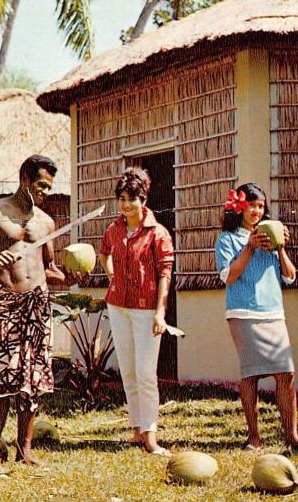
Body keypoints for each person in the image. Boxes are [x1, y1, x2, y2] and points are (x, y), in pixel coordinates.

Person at [0, 154, 78, 466]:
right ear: (24, 178)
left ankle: (25, 450)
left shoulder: (46, 222)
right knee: (3, 375)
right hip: (7, 301)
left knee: (33, 378)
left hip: (38, 304)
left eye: (50, 187)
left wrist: (72, 277)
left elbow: (49, 270)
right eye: (41, 185)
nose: (45, 192)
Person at [214, 182, 298, 453]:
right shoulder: (227, 239)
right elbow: (229, 276)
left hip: (273, 313)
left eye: (261, 206)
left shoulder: (270, 237)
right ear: (239, 207)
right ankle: (254, 437)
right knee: (251, 375)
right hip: (243, 313)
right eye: (251, 205)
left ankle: (292, 437)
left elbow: (290, 276)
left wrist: (280, 247)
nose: (257, 211)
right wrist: (249, 246)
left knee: (287, 373)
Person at [98, 167, 175, 457]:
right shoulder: (114, 229)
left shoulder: (158, 233)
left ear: (143, 199)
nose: (126, 204)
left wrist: (160, 313)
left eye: (132, 198)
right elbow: (103, 252)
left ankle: (151, 437)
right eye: (122, 198)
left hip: (146, 310)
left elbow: (165, 274)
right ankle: (136, 431)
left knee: (145, 373)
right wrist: (111, 275)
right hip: (118, 306)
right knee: (128, 371)